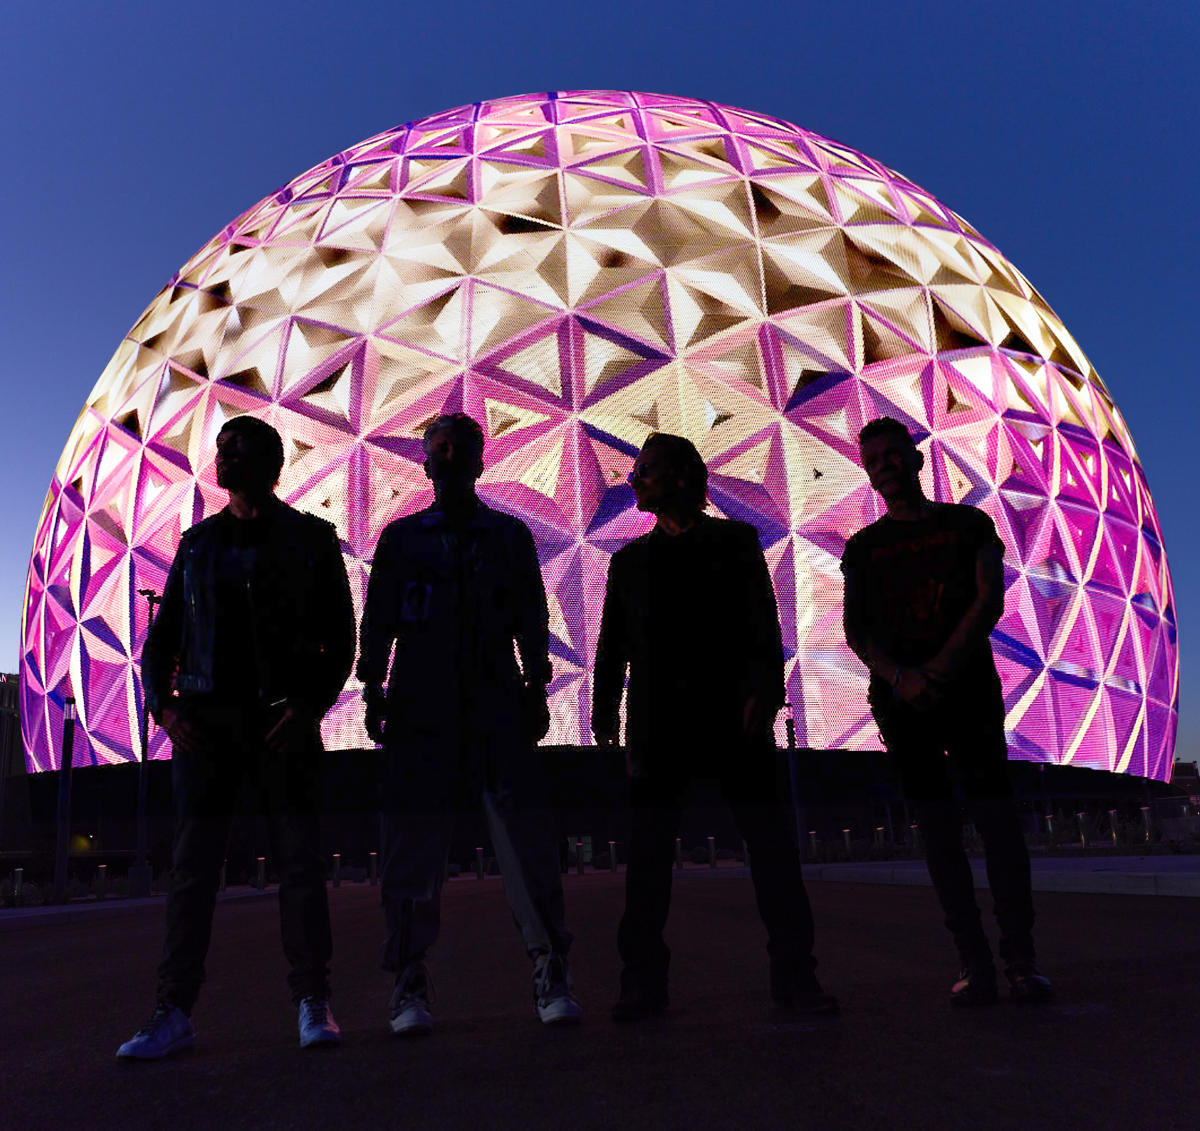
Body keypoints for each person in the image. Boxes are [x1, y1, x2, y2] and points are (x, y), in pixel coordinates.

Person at [118, 415, 356, 1059]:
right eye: (221, 450)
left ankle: (312, 999)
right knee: (193, 872)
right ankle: (173, 1010)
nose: (222, 461)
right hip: (205, 729)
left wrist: (310, 706)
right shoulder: (197, 546)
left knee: (301, 866)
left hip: (282, 724)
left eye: (237, 451)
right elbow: (162, 637)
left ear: (269, 464)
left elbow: (343, 634)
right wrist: (161, 707)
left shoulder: (312, 539)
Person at [593, 432, 836, 1021]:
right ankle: (642, 981)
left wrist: (766, 689)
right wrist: (606, 717)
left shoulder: (735, 541)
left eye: (645, 471)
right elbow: (611, 646)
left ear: (680, 477)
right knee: (648, 860)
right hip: (657, 725)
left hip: (734, 719)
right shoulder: (628, 562)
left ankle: (796, 977)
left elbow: (761, 621)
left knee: (772, 850)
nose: (634, 481)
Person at [358, 412, 581, 1034]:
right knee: (410, 847)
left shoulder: (509, 536)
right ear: (426, 463)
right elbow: (377, 617)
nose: (451, 457)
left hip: (495, 698)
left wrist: (539, 682)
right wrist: (372, 684)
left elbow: (533, 613)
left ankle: (549, 969)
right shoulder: (401, 540)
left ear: (481, 462)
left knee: (524, 841)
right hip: (419, 702)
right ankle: (408, 981)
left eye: (462, 449)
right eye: (441, 449)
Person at [841, 416, 1053, 1006]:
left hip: (968, 696)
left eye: (893, 454)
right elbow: (856, 630)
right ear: (868, 471)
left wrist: (936, 670)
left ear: (916, 457)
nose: (885, 464)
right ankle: (974, 961)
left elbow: (990, 597)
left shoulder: (968, 524)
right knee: (938, 833)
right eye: (874, 458)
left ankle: (1021, 959)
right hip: (902, 705)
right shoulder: (863, 548)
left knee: (998, 825)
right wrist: (901, 679)